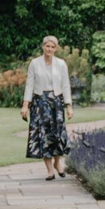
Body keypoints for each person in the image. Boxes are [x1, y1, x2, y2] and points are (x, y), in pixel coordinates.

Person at [21, 35, 73, 178]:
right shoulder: (34, 63)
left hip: (56, 102)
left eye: (52, 47)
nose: (49, 49)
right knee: (43, 135)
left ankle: (58, 163)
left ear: (55, 48)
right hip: (40, 103)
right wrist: (26, 104)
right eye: (47, 46)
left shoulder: (61, 64)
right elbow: (29, 84)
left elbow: (65, 85)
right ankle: (50, 170)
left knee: (58, 134)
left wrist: (68, 105)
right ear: (43, 47)